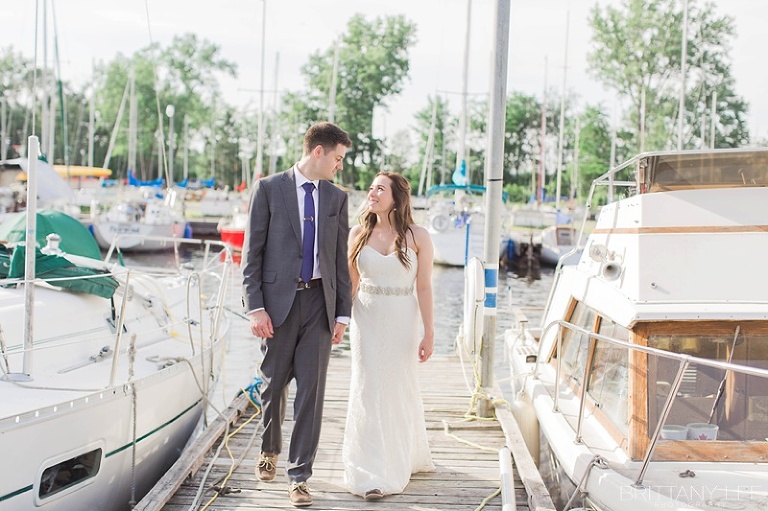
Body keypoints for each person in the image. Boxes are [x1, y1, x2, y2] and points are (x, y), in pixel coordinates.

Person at [241, 121, 353, 508]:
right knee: (273, 386)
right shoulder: (270, 189)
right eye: (337, 158)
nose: (340, 166)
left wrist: (343, 315)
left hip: (321, 304)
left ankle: (299, 475)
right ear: (318, 152)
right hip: (277, 305)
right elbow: (251, 253)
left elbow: (340, 260)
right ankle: (268, 448)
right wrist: (255, 307)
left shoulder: (337, 198)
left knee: (313, 392)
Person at [342, 172, 436, 500]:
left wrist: (429, 333)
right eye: (370, 187)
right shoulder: (357, 233)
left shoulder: (418, 236)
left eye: (380, 188)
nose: (372, 192)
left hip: (402, 320)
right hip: (364, 318)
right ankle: (370, 468)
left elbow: (423, 287)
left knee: (397, 387)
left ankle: (399, 458)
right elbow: (351, 285)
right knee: (367, 387)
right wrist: (338, 323)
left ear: (396, 197)